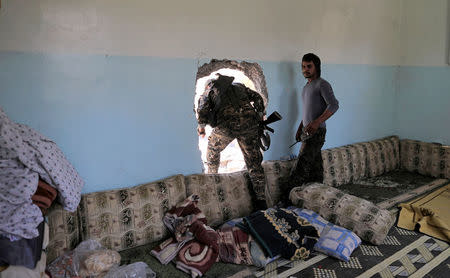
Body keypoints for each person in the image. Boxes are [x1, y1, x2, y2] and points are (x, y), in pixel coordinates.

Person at [196, 74, 269, 210]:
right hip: (249, 124)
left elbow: (202, 111)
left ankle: (213, 179)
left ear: (209, 84)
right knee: (253, 162)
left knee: (212, 150)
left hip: (226, 127)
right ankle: (261, 201)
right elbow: (258, 98)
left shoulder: (209, 91)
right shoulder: (239, 86)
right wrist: (260, 115)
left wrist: (201, 129)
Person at [287, 53, 339, 197]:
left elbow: (334, 105)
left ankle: (285, 202)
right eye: (303, 67)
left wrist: (317, 122)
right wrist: (300, 128)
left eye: (309, 66)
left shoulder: (322, 84)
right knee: (316, 169)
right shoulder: (306, 87)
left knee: (300, 168)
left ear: (316, 67)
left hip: (317, 133)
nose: (305, 70)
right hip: (306, 131)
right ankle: (319, 197)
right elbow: (308, 112)